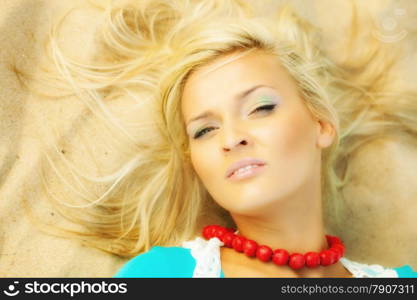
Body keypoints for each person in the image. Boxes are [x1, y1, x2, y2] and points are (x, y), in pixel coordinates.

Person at [37, 0, 417, 277]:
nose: (231, 138)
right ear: (195, 163)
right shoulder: (160, 276)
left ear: (320, 124)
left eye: (260, 107)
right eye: (204, 130)